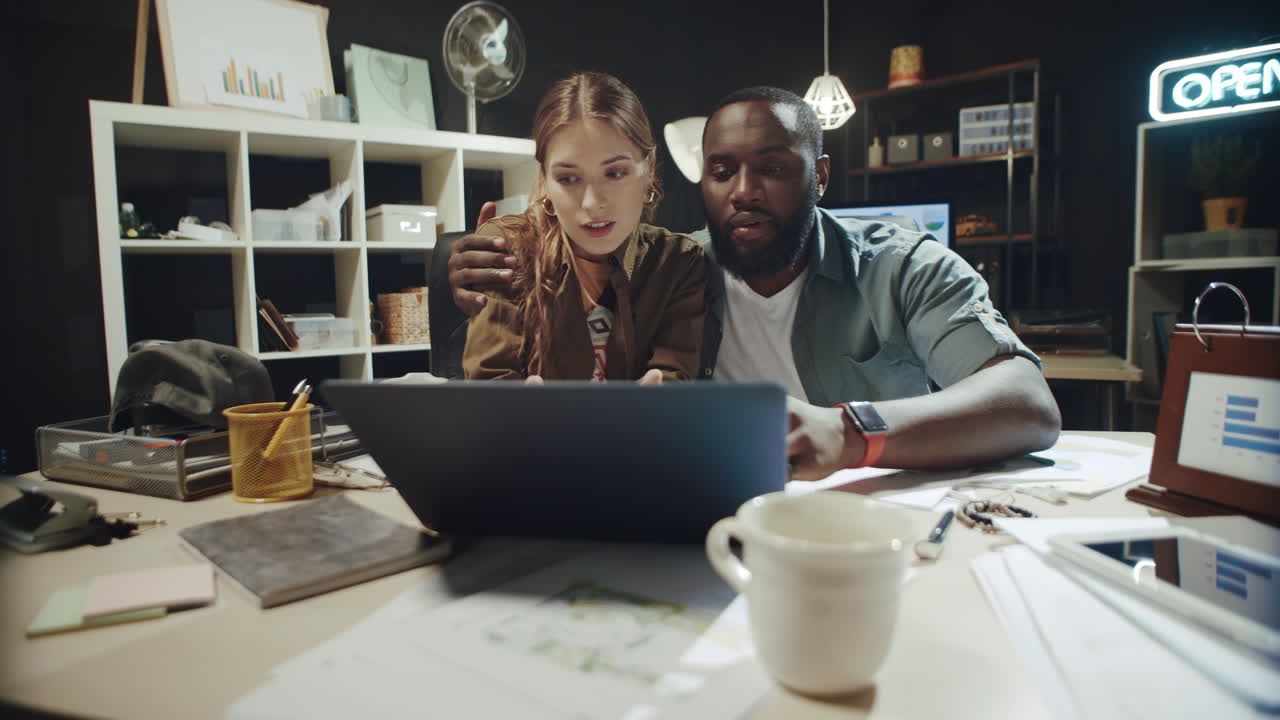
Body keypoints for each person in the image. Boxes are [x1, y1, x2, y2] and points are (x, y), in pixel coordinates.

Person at [451, 86, 1061, 477]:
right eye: (721, 171)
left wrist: (851, 433)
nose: (743, 192)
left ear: (820, 175)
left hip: (880, 521)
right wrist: (476, 270)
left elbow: (1029, 404)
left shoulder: (901, 265)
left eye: (772, 167)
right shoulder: (684, 265)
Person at [462, 72, 706, 384]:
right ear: (546, 179)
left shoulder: (679, 261)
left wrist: (652, 411)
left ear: (647, 168)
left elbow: (674, 379)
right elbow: (490, 385)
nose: (592, 203)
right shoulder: (507, 248)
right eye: (568, 178)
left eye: (615, 173)